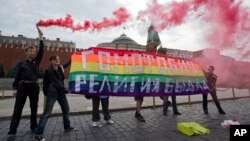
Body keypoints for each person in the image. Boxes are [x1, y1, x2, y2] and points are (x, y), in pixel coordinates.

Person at [7, 26, 44, 141]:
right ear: (26, 52)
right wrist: (15, 88)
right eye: (30, 51)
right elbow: (17, 76)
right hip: (23, 86)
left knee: (34, 108)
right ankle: (12, 131)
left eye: (34, 51)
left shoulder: (36, 62)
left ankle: (33, 126)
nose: (33, 52)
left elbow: (41, 50)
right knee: (18, 109)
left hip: (34, 86)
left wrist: (41, 37)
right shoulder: (22, 64)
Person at [34, 55, 75, 141]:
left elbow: (67, 64)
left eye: (58, 59)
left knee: (66, 109)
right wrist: (66, 90)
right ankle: (38, 134)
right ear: (51, 61)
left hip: (60, 93)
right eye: (55, 59)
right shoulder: (49, 71)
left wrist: (73, 57)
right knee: (47, 113)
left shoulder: (60, 67)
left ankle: (67, 126)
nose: (57, 60)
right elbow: (56, 83)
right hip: (52, 93)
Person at [157, 47, 181, 116]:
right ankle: (165, 110)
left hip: (171, 81)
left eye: (164, 52)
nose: (164, 53)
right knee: (165, 97)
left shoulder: (168, 59)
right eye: (163, 52)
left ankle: (174, 111)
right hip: (165, 81)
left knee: (173, 98)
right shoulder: (159, 60)